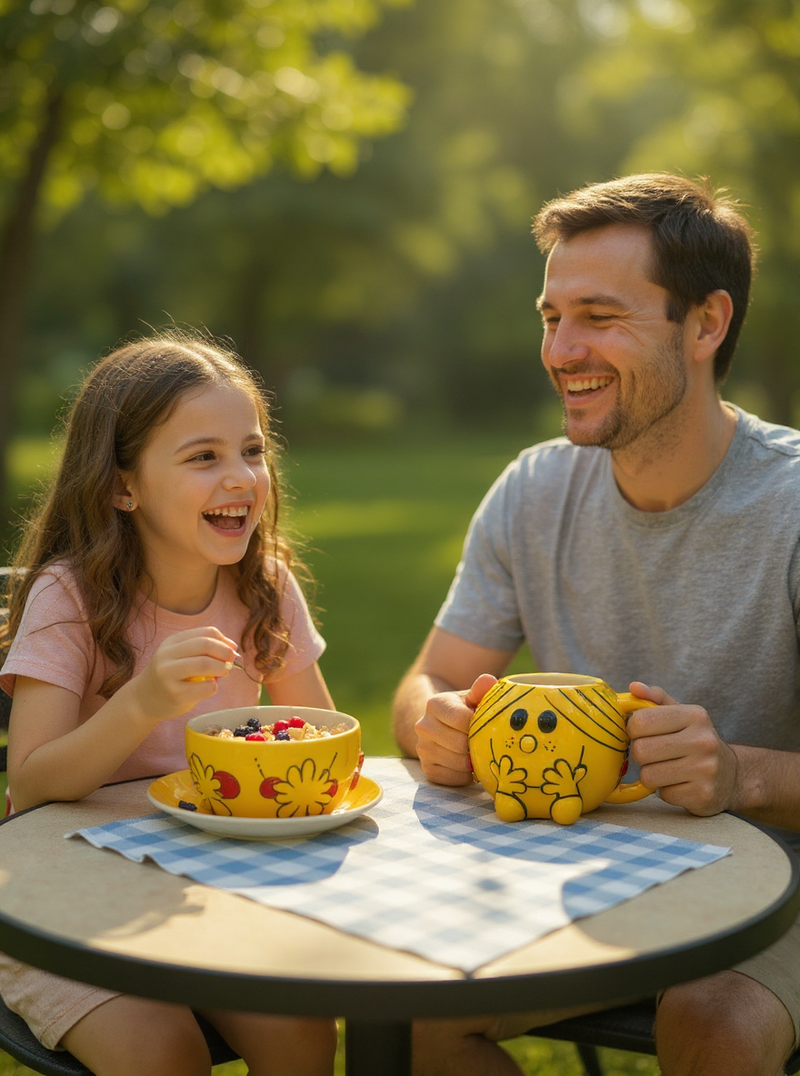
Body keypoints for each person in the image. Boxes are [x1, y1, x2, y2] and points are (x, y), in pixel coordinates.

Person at [393, 173, 800, 1076]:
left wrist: (740, 773)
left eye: (599, 317)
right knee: (412, 1015)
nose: (560, 350)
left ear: (705, 324)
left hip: (782, 885)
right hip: (587, 870)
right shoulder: (533, 490)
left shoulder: (795, 507)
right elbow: (423, 684)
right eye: (550, 317)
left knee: (715, 1024)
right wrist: (439, 723)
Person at [0, 331, 338, 1076]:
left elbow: (320, 743)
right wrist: (141, 701)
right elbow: (28, 783)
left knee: (303, 1032)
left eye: (252, 451)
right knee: (164, 1056)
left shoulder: (266, 588)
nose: (242, 477)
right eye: (203, 457)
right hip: (57, 893)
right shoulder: (71, 597)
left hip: (204, 880)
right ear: (123, 486)